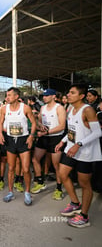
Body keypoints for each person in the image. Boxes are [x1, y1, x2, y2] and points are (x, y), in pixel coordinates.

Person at [55, 84, 102, 228]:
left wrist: (79, 144)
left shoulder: (87, 110)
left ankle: (84, 216)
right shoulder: (71, 109)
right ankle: (75, 203)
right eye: (68, 92)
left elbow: (98, 132)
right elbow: (72, 130)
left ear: (81, 96)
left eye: (72, 93)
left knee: (84, 184)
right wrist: (62, 141)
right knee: (62, 175)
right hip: (70, 149)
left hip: (85, 153)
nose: (68, 95)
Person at [0, 87, 36, 205]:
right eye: (6, 95)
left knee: (25, 169)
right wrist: (0, 134)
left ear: (16, 96)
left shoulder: (25, 108)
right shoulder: (4, 109)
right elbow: (0, 122)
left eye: (9, 95)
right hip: (10, 140)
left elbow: (34, 123)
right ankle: (10, 192)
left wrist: (31, 136)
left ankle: (27, 192)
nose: (7, 97)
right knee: (11, 168)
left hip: (23, 140)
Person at [31, 89, 66, 200]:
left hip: (55, 138)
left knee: (56, 165)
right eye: (43, 96)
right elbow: (40, 122)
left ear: (53, 96)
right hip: (44, 137)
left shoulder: (59, 108)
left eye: (47, 95)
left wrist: (46, 132)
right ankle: (40, 182)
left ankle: (59, 189)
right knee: (35, 159)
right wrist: (40, 125)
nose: (44, 97)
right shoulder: (42, 108)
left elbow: (62, 126)